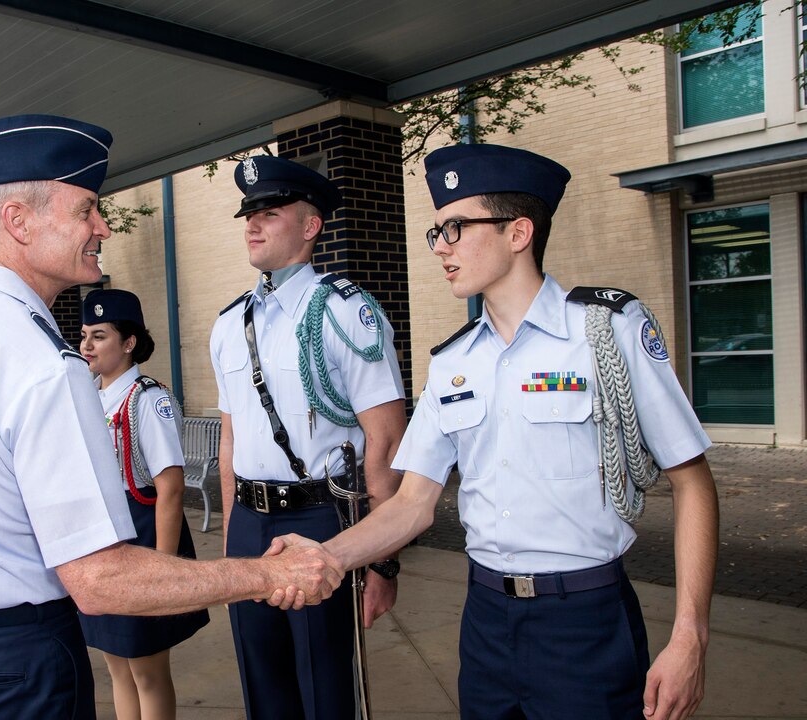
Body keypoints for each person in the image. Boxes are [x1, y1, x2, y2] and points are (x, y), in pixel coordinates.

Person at [0, 115, 343, 720]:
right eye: (85, 210)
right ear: (18, 221)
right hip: (16, 666)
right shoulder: (43, 365)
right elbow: (101, 581)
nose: (102, 226)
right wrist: (266, 577)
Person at [272, 143, 719, 720]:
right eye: (436, 233)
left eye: (455, 228)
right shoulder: (454, 363)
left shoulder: (606, 331)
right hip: (485, 622)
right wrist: (326, 556)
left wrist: (690, 637)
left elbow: (692, 481)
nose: (441, 248)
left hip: (583, 621)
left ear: (518, 232)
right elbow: (412, 503)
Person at [209, 156, 407, 720]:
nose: (253, 224)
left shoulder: (349, 313)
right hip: (250, 518)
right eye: (249, 213)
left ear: (310, 225)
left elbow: (386, 444)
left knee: (325, 689)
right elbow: (231, 443)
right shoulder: (229, 324)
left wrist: (382, 561)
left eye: (269, 213)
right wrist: (231, 543)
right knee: (261, 683)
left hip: (322, 519)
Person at [78, 288, 209, 720]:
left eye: (99, 336)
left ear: (129, 341)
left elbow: (170, 488)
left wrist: (163, 572)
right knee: (117, 664)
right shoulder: (89, 397)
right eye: (84, 336)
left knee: (148, 671)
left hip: (145, 536)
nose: (87, 346)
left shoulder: (148, 398)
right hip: (104, 542)